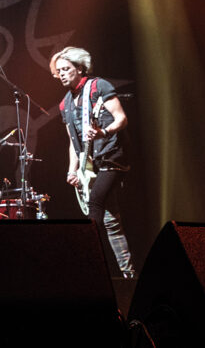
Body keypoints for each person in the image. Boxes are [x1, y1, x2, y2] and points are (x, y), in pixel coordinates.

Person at [51, 46, 135, 279]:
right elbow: (72, 142)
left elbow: (121, 118)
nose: (62, 74)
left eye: (67, 69)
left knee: (95, 202)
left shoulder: (98, 87)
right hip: (89, 163)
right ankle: (128, 275)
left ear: (80, 69)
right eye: (59, 71)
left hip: (111, 155)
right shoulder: (65, 103)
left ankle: (89, 261)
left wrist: (103, 132)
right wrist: (72, 170)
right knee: (111, 220)